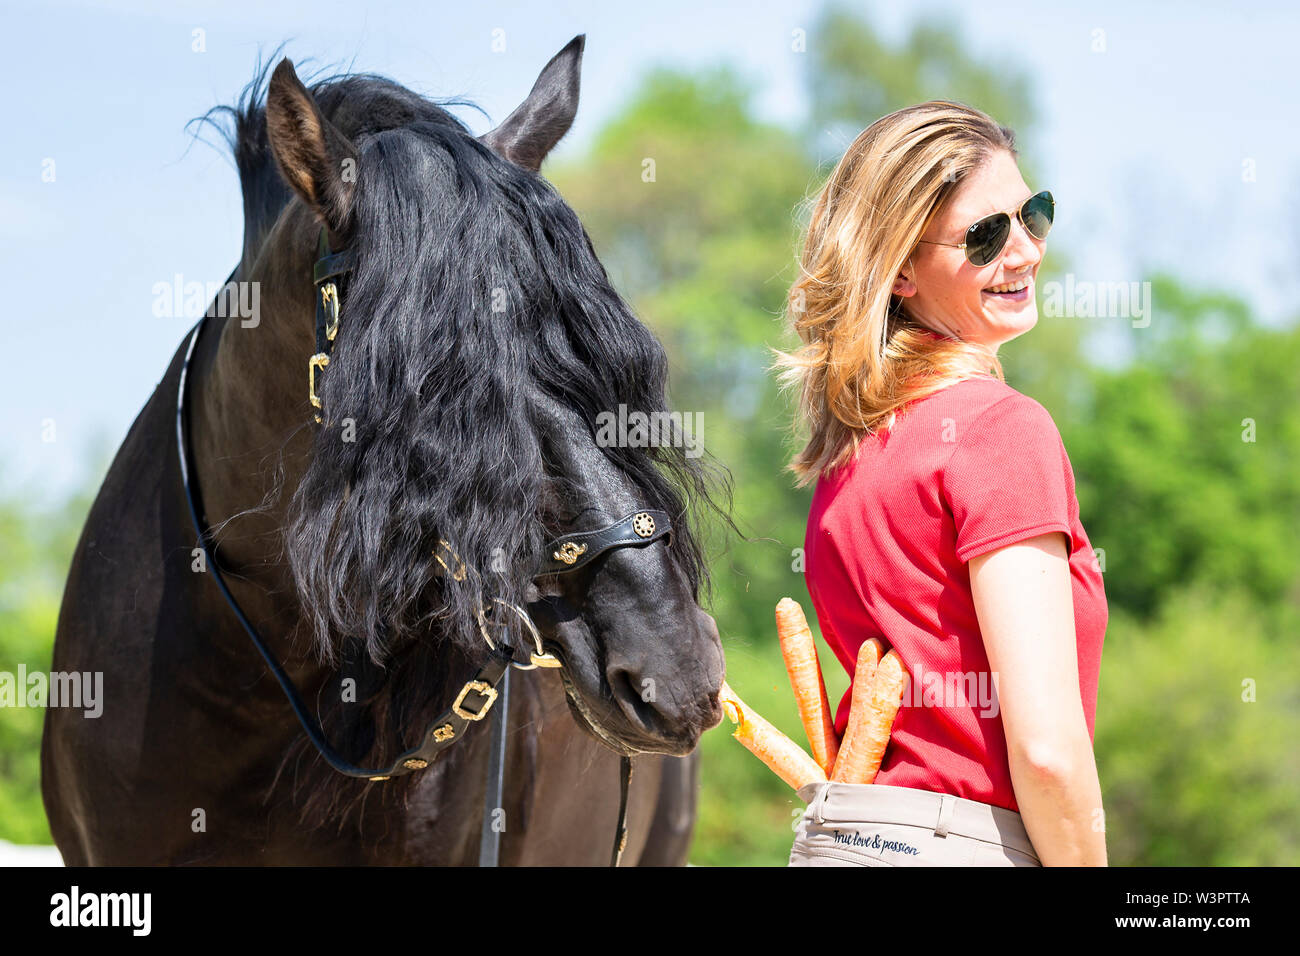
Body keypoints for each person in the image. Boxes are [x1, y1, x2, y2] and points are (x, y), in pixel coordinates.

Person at [771, 100, 1108, 866]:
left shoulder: (848, 458)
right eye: (985, 237)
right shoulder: (1001, 431)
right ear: (898, 273)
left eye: (1034, 214)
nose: (1022, 251)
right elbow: (1049, 753)